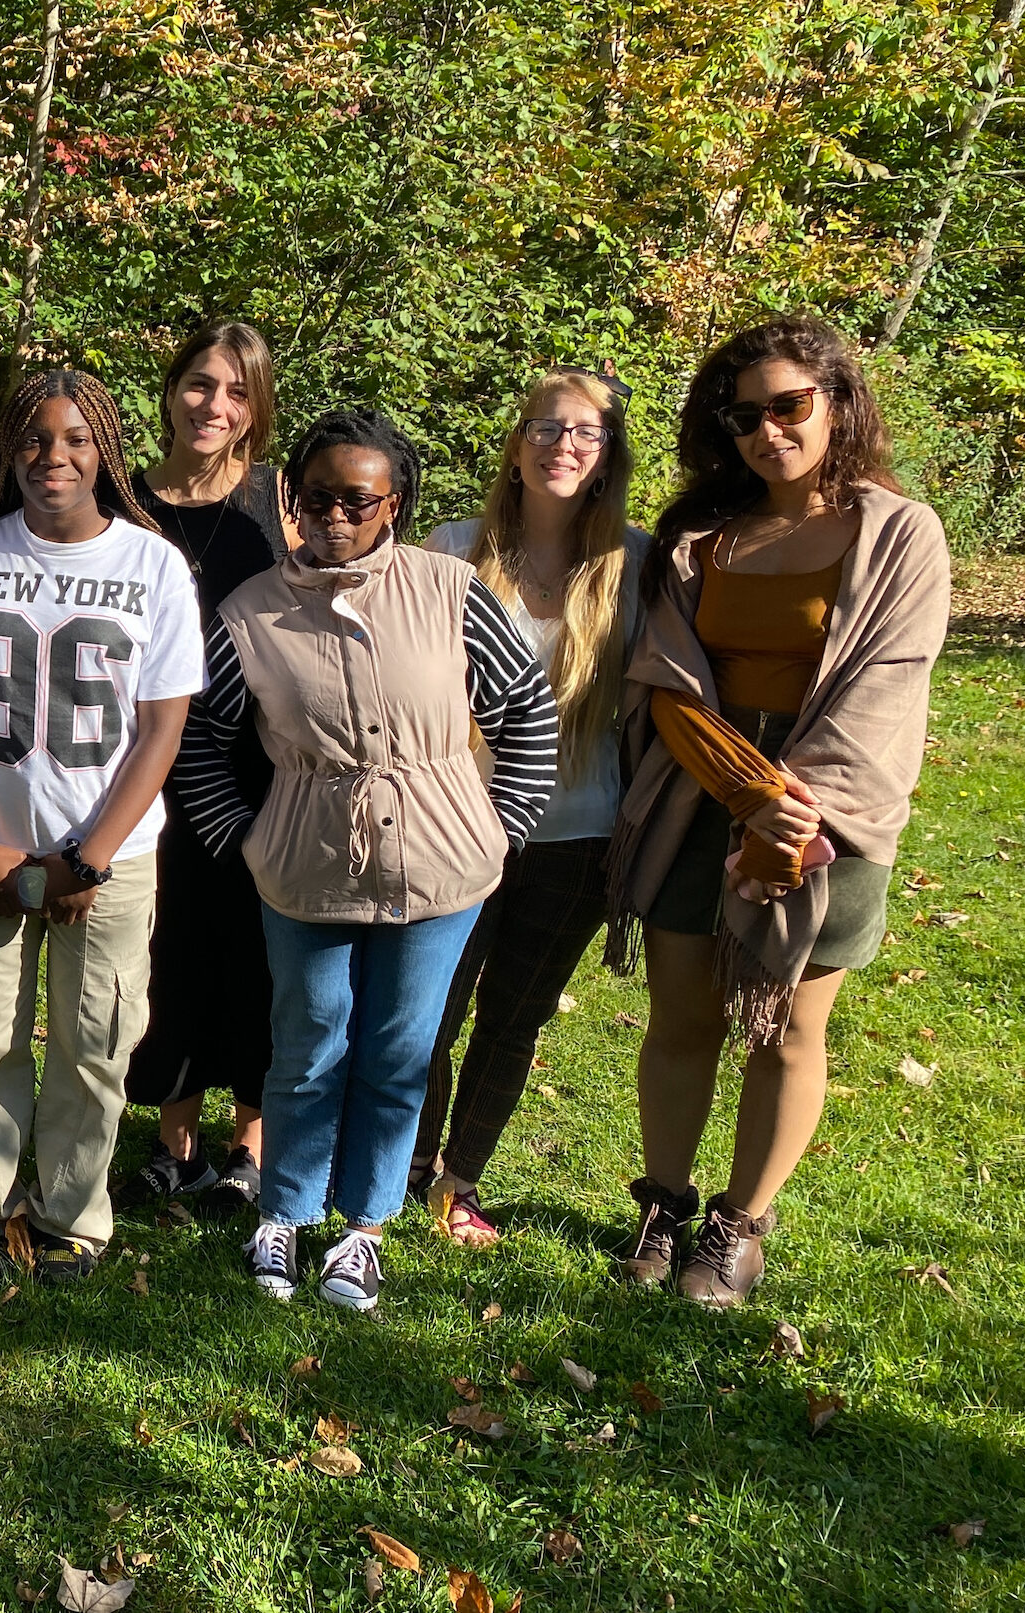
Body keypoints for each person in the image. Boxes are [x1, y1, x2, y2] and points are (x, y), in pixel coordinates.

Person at [180, 410, 558, 1312]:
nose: (335, 517)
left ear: (395, 503)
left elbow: (528, 715)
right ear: (292, 500)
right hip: (306, 862)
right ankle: (286, 1208)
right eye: (317, 498)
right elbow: (201, 740)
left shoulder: (450, 590)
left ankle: (365, 1227)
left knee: (399, 1048)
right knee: (308, 1041)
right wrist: (245, 836)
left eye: (359, 498)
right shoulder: (251, 614)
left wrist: (494, 828)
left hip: (443, 867)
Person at [608, 316, 949, 1308]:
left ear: (835, 402)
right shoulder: (696, 536)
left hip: (827, 815)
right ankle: (661, 1206)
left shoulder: (900, 533)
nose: (768, 431)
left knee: (786, 1028)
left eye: (788, 405)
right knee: (678, 1015)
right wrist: (742, 795)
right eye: (744, 415)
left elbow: (885, 685)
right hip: (698, 794)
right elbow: (663, 676)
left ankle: (734, 1228)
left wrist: (788, 815)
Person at [0, 370, 201, 1283]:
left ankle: (72, 1215)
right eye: (35, 439)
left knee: (95, 1043)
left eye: (76, 439)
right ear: (10, 450)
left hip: (111, 854)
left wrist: (86, 860)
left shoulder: (153, 564)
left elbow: (163, 727)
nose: (54, 457)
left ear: (107, 451)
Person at [410, 367, 649, 1245]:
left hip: (578, 836)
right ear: (517, 446)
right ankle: (406, 1163)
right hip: (458, 827)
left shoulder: (638, 561)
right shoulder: (450, 548)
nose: (564, 447)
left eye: (586, 433)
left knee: (513, 1018)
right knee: (427, 1009)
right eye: (548, 429)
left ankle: (459, 1181)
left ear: (607, 455)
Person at [120, 319, 293, 1214]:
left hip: (262, 769)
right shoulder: (125, 500)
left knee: (257, 953)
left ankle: (249, 1144)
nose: (213, 405)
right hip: (145, 762)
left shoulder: (282, 504)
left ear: (257, 408)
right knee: (167, 946)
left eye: (234, 391)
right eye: (198, 383)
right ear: (171, 389)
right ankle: (172, 1139)